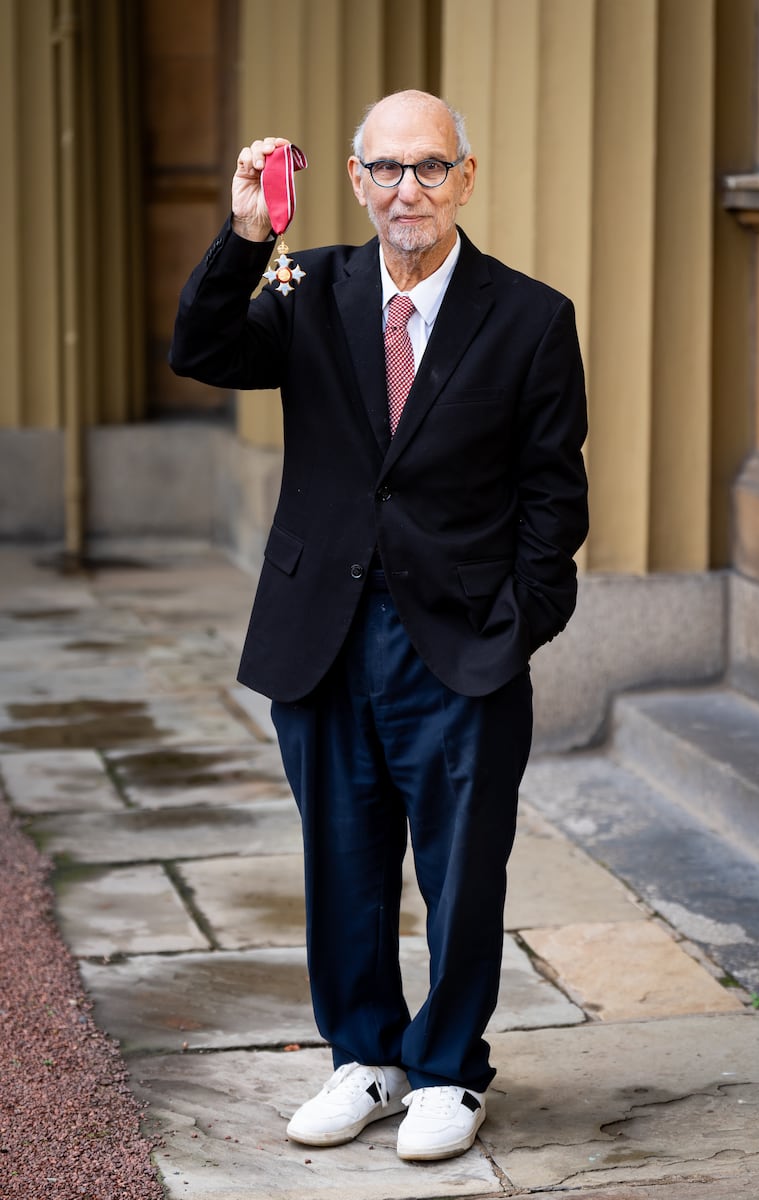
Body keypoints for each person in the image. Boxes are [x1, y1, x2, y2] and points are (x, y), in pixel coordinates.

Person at [170, 89, 588, 1162]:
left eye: (430, 168)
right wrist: (242, 234)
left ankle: (448, 1069)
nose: (409, 190)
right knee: (341, 859)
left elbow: (554, 495)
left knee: (460, 871)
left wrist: (520, 622)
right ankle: (364, 1058)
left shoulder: (530, 316)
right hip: (321, 635)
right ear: (355, 180)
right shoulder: (308, 286)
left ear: (466, 176)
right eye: (388, 170)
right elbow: (201, 351)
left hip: (459, 644)